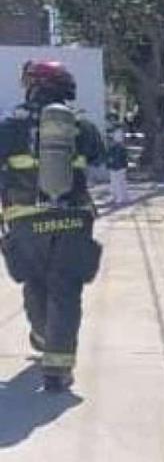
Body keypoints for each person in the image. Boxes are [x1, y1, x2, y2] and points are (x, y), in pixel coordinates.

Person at [0, 60, 105, 392]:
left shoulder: (9, 126)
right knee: (66, 290)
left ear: (33, 86)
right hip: (73, 219)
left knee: (35, 282)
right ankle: (57, 372)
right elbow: (100, 157)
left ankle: (44, 336)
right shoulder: (81, 125)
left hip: (24, 220)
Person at [106, 128, 130, 205]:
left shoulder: (117, 148)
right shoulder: (119, 147)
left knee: (117, 182)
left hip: (117, 167)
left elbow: (115, 158)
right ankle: (121, 196)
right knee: (119, 181)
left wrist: (110, 164)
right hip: (119, 166)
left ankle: (120, 197)